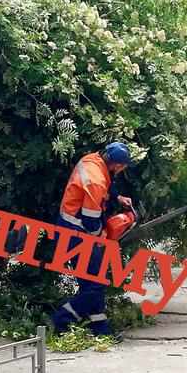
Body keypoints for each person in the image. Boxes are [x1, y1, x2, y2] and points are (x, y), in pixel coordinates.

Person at [51, 142, 133, 337]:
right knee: (95, 284)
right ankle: (62, 318)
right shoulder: (96, 180)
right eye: (122, 167)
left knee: (92, 283)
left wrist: (118, 198)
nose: (122, 170)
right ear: (117, 165)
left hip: (72, 228)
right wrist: (104, 237)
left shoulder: (93, 161)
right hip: (77, 232)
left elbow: (105, 186)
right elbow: (91, 221)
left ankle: (100, 329)